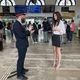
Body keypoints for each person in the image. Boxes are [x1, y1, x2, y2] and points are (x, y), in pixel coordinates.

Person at [13, 13, 33, 80]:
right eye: (24, 16)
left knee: (22, 58)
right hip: (21, 44)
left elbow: (24, 33)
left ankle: (22, 69)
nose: (25, 18)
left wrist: (29, 32)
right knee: (20, 59)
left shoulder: (19, 24)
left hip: (23, 44)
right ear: (20, 16)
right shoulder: (16, 24)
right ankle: (19, 75)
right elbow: (21, 35)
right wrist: (29, 30)